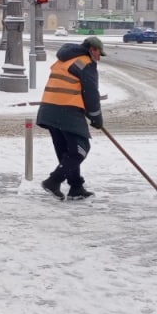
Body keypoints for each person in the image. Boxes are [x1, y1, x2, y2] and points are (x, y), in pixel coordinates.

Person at [36, 37, 106, 201]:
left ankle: (76, 187)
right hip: (66, 109)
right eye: (99, 53)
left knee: (67, 151)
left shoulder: (65, 59)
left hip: (49, 109)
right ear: (92, 49)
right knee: (80, 149)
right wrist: (96, 117)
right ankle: (53, 181)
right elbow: (90, 93)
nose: (99, 57)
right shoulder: (85, 63)